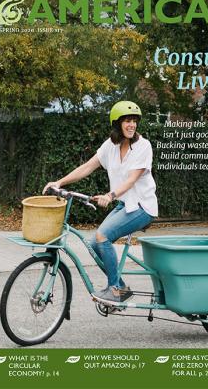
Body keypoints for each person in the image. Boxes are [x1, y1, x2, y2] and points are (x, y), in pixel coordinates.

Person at [43, 101, 158, 305]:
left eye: (134, 121)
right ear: (117, 123)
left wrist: (110, 195)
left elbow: (132, 180)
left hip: (142, 207)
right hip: (125, 205)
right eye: (127, 121)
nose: (132, 125)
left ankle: (114, 290)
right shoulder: (110, 146)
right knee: (95, 242)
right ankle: (120, 288)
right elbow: (88, 166)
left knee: (102, 237)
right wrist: (60, 182)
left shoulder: (143, 146)